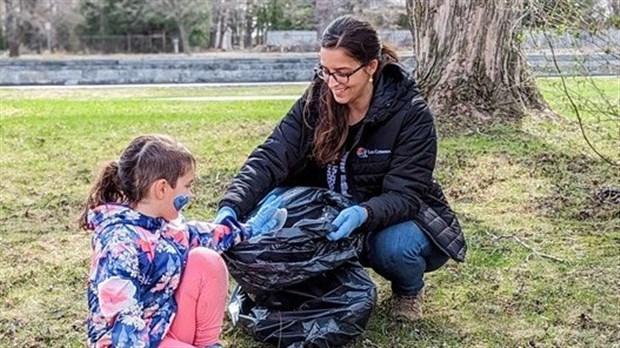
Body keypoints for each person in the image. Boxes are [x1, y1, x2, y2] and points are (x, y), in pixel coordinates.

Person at [214, 16, 466, 322]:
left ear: (371, 66)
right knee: (263, 212)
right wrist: (231, 206)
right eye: (326, 71)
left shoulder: (410, 113)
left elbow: (406, 195)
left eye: (344, 73)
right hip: (329, 212)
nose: (333, 83)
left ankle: (408, 289)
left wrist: (363, 214)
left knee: (394, 248)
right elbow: (271, 156)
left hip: (392, 218)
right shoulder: (318, 99)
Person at [80, 134, 284, 348]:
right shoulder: (119, 244)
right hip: (127, 342)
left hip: (162, 326)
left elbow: (203, 235)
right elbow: (122, 323)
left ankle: (207, 344)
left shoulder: (163, 224)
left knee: (206, 260)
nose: (190, 194)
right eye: (187, 186)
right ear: (162, 189)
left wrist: (248, 229)